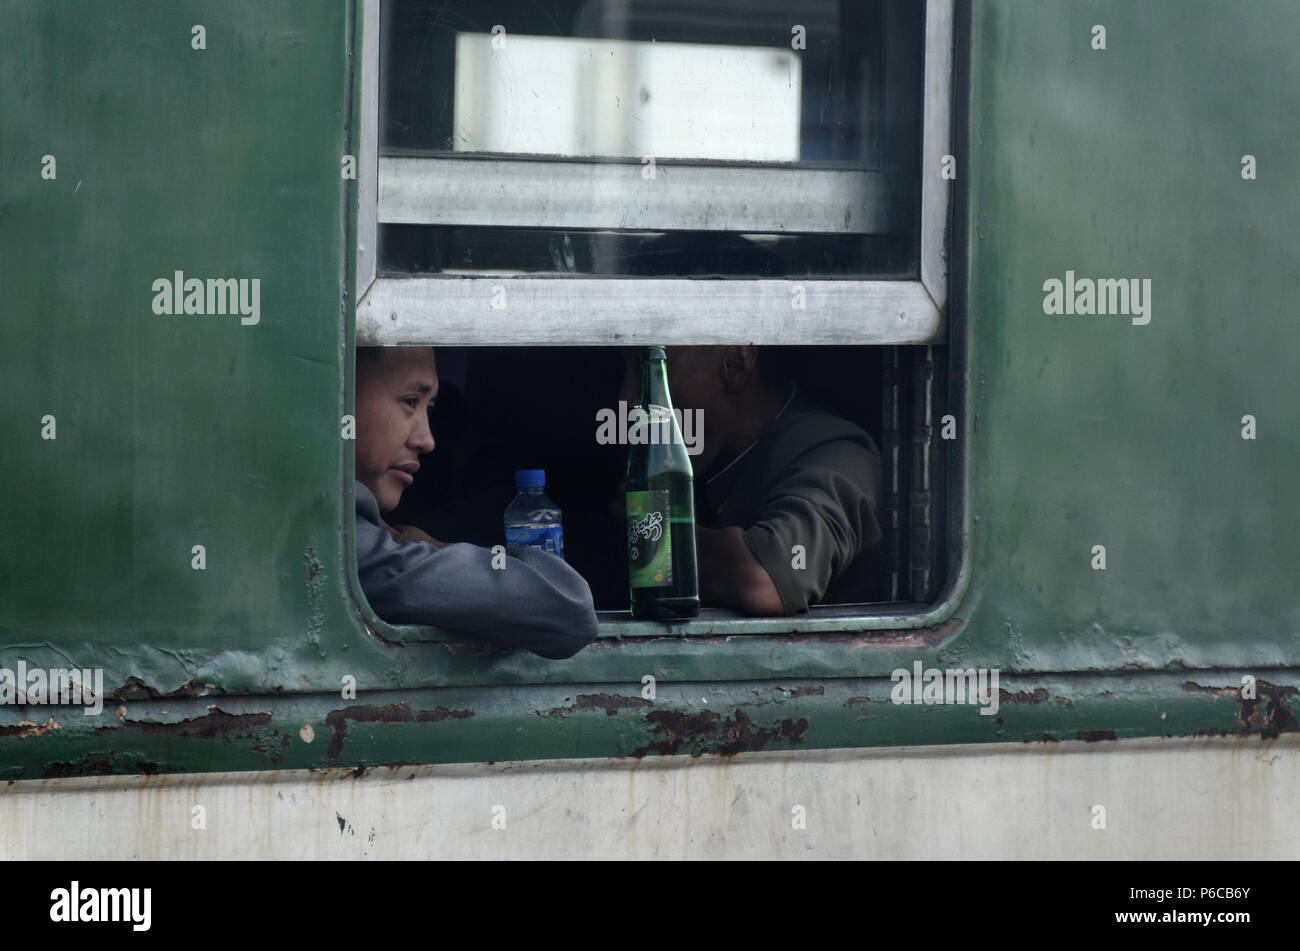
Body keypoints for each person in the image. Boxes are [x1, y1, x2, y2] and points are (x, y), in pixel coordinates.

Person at [354, 346, 598, 659]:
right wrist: (429, 550)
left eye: (429, 408)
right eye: (410, 402)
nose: (427, 441)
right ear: (339, 390)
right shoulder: (349, 545)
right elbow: (568, 606)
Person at [621, 346, 884, 616]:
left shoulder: (836, 454)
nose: (628, 398)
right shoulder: (702, 460)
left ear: (734, 364)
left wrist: (645, 524)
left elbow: (769, 579)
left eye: (658, 371)